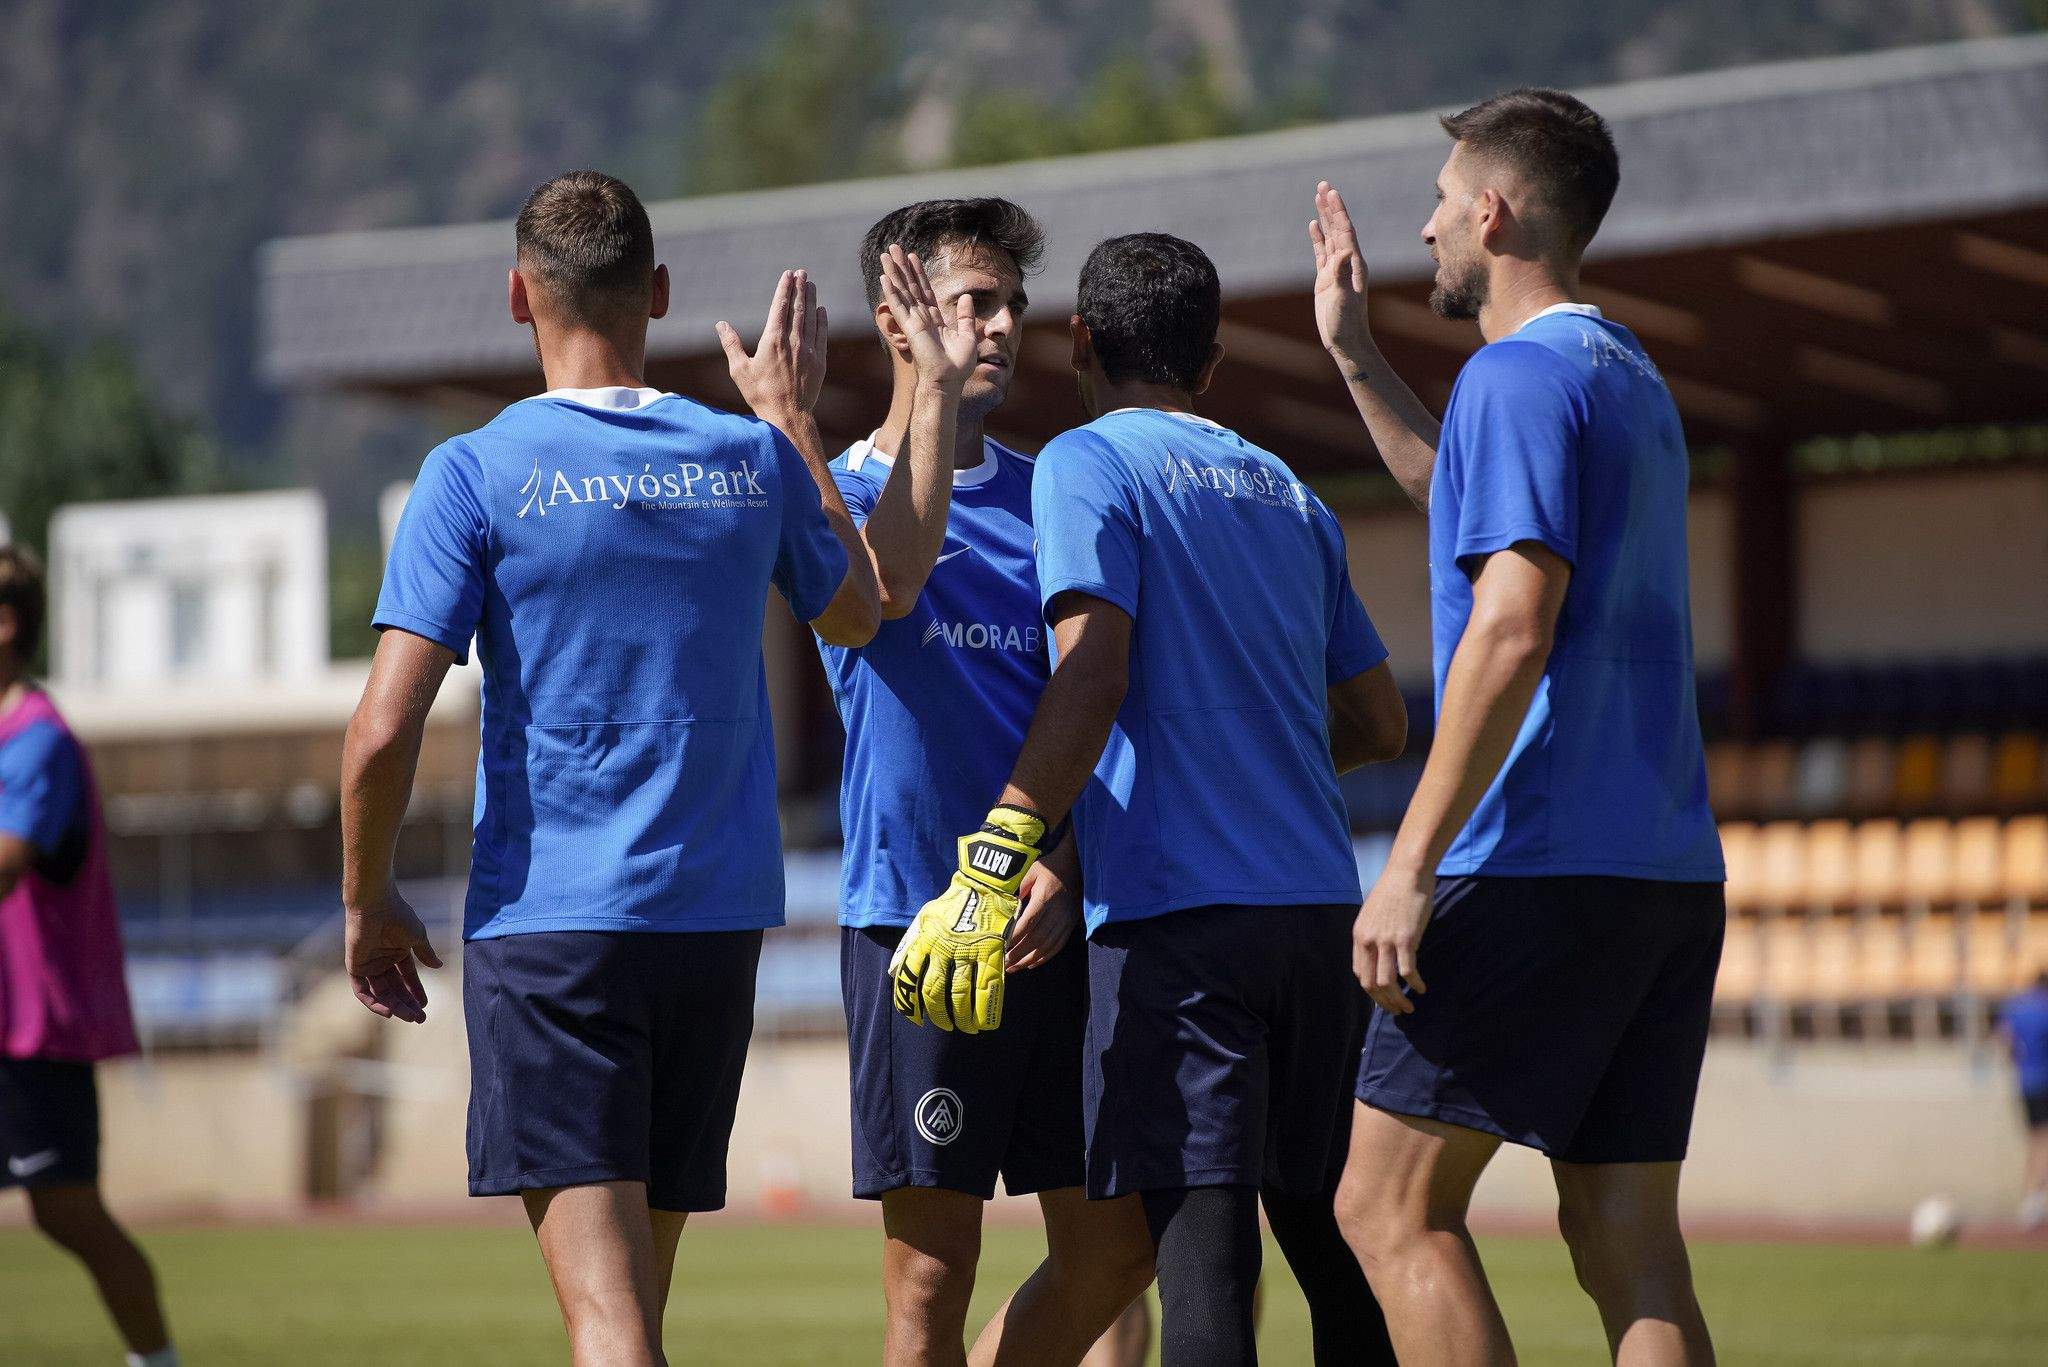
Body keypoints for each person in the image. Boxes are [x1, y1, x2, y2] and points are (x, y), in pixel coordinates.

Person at [338, 170, 878, 1367]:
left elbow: (382, 728)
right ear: (662, 295)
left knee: (605, 1317)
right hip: (715, 925)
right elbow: (860, 613)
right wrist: (793, 425)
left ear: (519, 297)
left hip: (555, 930)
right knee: (637, 1302)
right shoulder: (748, 457)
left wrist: (366, 898)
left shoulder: (473, 471)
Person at [893, 231, 1408, 1367]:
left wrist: (998, 851)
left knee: (1204, 1267)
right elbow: (1379, 723)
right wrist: (1256, 765)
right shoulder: (1287, 492)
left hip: (1183, 933)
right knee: (1334, 1250)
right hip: (1317, 918)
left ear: (1078, 340)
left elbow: (1091, 670)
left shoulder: (1087, 463)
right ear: (1211, 363)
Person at [1310, 88, 1726, 1366]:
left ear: (1490, 211)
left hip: (1530, 862)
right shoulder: (1623, 374)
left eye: (1439, 207)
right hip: (1662, 868)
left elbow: (1507, 622)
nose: (1427, 231)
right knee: (1624, 1237)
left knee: (1383, 1205)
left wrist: (1409, 860)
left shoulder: (1511, 372)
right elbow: (1466, 502)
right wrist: (1355, 357)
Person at [820, 198, 1154, 1367]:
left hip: (1063, 921)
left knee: (1118, 1251)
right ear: (897, 321)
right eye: (972, 301)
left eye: (1012, 302)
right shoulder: (836, 496)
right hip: (912, 924)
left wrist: (1062, 866)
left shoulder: (1059, 487)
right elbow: (883, 594)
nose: (1001, 324)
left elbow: (1112, 700)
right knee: (928, 1281)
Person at [0, 545, 180, 1367]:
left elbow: (6, 864)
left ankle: (158, 1360)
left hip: (29, 1030)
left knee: (69, 1214)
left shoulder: (38, 742)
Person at [2000, 970, 2048, 1230]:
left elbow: (2005, 1042)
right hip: (2044, 1081)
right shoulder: (2045, 1008)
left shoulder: (2017, 1007)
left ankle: (2031, 1198)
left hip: (2025, 1082)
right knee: (2043, 1141)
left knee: (2036, 1140)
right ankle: (2035, 1200)